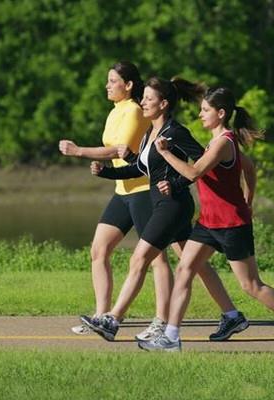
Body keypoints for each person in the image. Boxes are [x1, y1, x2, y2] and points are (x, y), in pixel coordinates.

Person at [139, 87, 274, 354]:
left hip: (232, 225)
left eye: (205, 110)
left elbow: (194, 171)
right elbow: (248, 167)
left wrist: (165, 153)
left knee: (251, 285)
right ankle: (171, 338)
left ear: (220, 113)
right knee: (184, 269)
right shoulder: (215, 143)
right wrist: (249, 196)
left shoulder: (223, 142)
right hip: (208, 223)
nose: (200, 114)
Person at [81, 77, 250, 342]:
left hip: (173, 206)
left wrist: (176, 182)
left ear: (163, 104)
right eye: (143, 98)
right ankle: (232, 315)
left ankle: (113, 320)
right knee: (196, 264)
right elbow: (141, 168)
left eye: (149, 99)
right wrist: (105, 172)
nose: (143, 102)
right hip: (165, 204)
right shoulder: (151, 132)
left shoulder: (176, 132)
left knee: (139, 259)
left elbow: (201, 165)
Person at [59, 61, 176, 339]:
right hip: (122, 192)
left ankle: (162, 320)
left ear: (129, 85)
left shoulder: (135, 111)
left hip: (142, 192)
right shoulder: (115, 112)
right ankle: (101, 316)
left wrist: (79, 151)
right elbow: (116, 151)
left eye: (113, 81)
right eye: (108, 81)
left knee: (157, 258)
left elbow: (116, 150)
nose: (107, 85)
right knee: (99, 251)